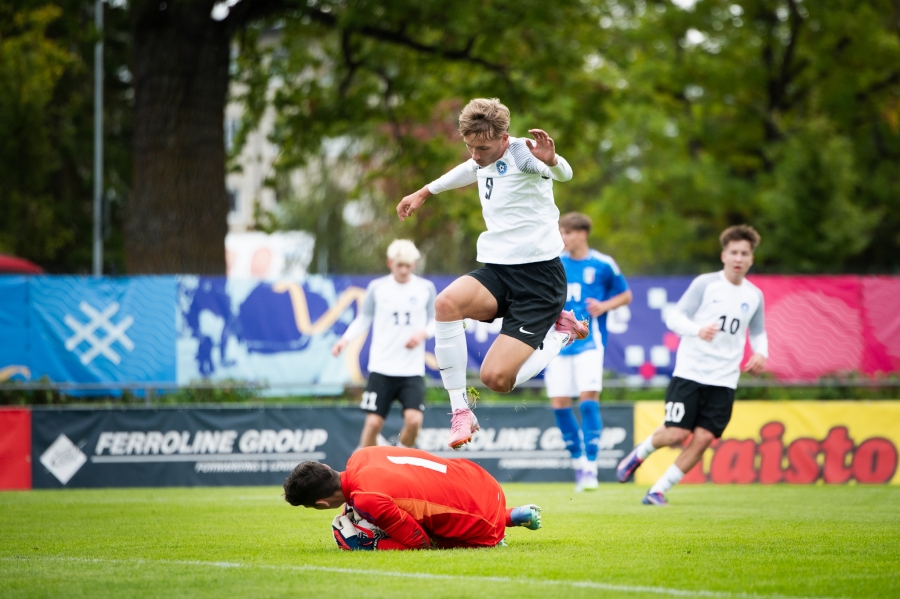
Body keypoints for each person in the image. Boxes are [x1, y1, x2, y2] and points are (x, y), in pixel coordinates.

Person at [396, 98, 588, 450]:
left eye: (482, 148)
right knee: (447, 304)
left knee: (497, 379)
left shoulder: (524, 156)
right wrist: (425, 191)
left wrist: (554, 161)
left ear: (504, 139)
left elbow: (564, 173)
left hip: (539, 282)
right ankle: (461, 411)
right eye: (469, 146)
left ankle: (562, 332)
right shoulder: (480, 157)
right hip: (499, 270)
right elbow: (469, 170)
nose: (475, 154)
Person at [616, 225, 768, 505]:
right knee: (677, 432)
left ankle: (657, 491)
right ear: (723, 256)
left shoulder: (754, 295)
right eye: (733, 252)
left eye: (744, 253)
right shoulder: (705, 284)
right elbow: (674, 318)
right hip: (691, 372)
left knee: (704, 438)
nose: (738, 258)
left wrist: (761, 353)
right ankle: (638, 454)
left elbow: (758, 332)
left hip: (725, 379)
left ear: (751, 259)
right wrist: (697, 330)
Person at [282, 446, 542, 550]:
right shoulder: (361, 456)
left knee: (434, 535)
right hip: (482, 481)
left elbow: (420, 543)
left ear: (321, 504)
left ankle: (498, 534)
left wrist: (364, 545)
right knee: (425, 503)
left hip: (482, 525)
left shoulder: (367, 499)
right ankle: (510, 515)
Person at [545, 212, 632, 492]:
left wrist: (605, 306)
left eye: (567, 233)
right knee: (559, 404)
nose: (563, 238)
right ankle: (578, 462)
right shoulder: (554, 263)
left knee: (588, 399)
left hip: (590, 344)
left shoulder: (604, 263)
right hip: (557, 344)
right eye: (562, 233)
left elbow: (626, 294)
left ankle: (591, 466)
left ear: (582, 234)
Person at [332, 240, 436, 450]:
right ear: (390, 263)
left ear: (415, 263)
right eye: (400, 265)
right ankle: (364, 468)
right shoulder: (377, 288)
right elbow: (364, 318)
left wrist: (423, 333)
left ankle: (397, 456)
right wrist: (345, 339)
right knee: (373, 423)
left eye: (408, 265)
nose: (404, 270)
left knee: (414, 421)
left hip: (411, 369)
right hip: (382, 367)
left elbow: (436, 320)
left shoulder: (425, 288)